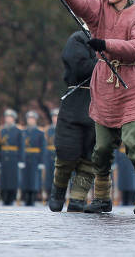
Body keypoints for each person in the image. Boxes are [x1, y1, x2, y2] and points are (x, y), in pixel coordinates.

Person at [44, 0, 135, 215]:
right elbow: (79, 2)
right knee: (100, 148)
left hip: (131, 82)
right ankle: (101, 198)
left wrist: (105, 43)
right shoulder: (99, 6)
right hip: (104, 85)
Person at [48, 31, 98, 212]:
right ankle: (58, 191)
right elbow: (80, 67)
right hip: (76, 102)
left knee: (91, 157)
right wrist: (105, 63)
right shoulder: (79, 38)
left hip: (99, 104)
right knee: (66, 152)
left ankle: (78, 197)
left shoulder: (114, 40)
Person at [20, 110, 46, 206]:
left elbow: (43, 148)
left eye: (32, 119)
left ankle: (33, 197)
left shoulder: (40, 132)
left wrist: (41, 161)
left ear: (35, 120)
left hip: (35, 158)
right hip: (25, 157)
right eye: (29, 119)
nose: (30, 120)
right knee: (25, 178)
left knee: (34, 179)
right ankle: (26, 197)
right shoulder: (23, 131)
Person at [0, 109, 23, 205]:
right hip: (3, 157)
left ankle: (11, 197)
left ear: (13, 119)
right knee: (4, 179)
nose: (8, 119)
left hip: (14, 157)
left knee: (12, 178)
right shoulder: (1, 130)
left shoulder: (18, 130)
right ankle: (4, 197)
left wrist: (21, 159)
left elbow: (21, 146)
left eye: (10, 117)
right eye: (6, 117)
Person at [44, 109, 58, 200]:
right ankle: (49, 195)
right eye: (53, 117)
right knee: (49, 176)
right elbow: (44, 144)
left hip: (59, 154)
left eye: (56, 116)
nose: (55, 118)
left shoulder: (64, 128)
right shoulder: (47, 129)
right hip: (49, 155)